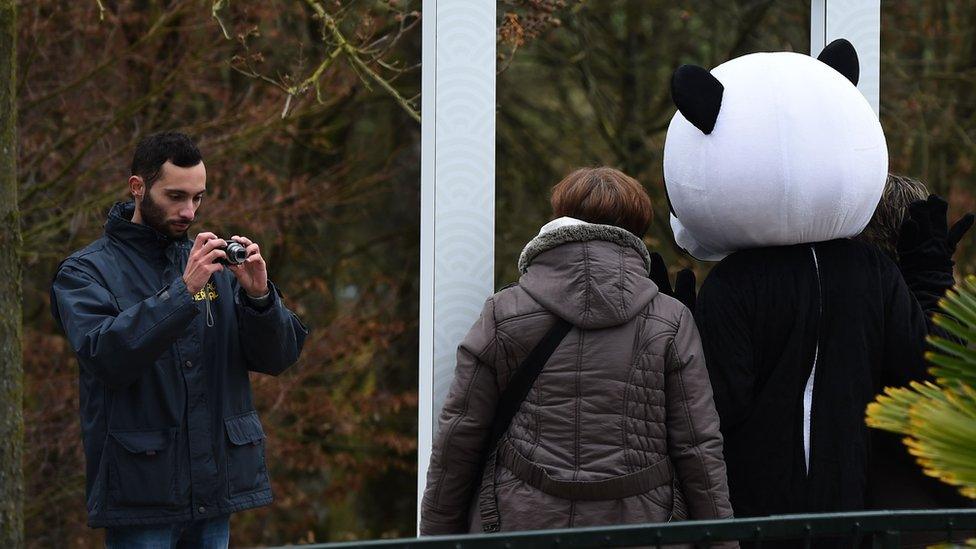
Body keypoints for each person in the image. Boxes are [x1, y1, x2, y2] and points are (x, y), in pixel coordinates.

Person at [661, 40, 930, 520]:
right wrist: (930, 277)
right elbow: (915, 368)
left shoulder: (734, 284)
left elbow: (719, 404)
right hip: (853, 497)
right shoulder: (873, 270)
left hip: (758, 506)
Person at [420, 167, 733, 535]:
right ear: (638, 232)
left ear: (560, 219)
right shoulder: (671, 319)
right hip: (643, 528)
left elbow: (460, 435)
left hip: (518, 525)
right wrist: (721, 542)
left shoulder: (504, 312)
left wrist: (436, 536)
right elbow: (697, 446)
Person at [50, 131, 308, 548]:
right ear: (138, 187)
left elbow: (278, 358)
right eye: (175, 196)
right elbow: (105, 356)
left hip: (215, 492)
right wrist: (181, 294)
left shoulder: (215, 268)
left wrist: (261, 298)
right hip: (141, 492)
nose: (189, 211)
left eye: (198, 198)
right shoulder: (84, 273)